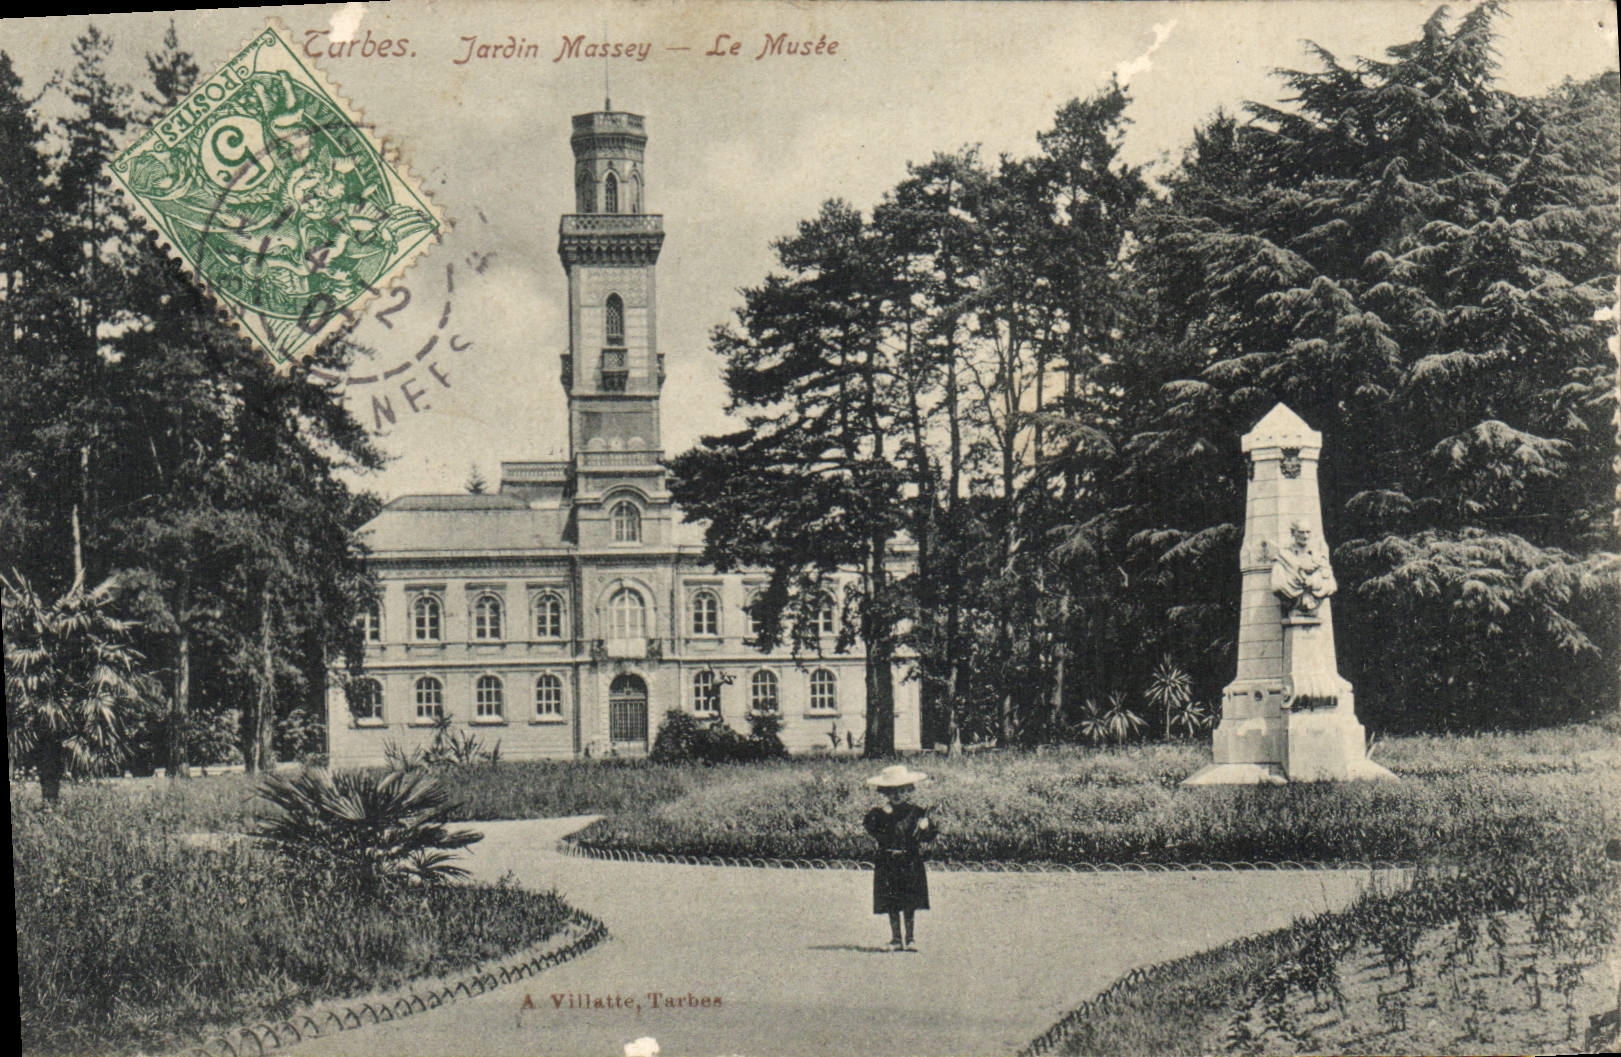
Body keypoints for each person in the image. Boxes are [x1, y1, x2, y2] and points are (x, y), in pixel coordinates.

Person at [863, 764, 936, 952]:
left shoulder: (917, 812)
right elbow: (873, 830)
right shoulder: (879, 814)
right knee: (892, 901)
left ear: (909, 791)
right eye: (892, 791)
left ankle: (910, 938)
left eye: (902, 791)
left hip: (910, 861)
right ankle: (896, 939)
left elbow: (928, 837)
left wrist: (925, 827)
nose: (897, 795)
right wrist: (884, 816)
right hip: (888, 861)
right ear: (885, 792)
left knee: (909, 901)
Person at [1271, 519, 1337, 618]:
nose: (1305, 536)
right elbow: (1277, 586)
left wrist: (1315, 581)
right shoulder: (1283, 558)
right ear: (1293, 533)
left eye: (1308, 532)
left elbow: (1331, 585)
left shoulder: (1319, 557)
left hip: (1314, 599)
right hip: (1293, 602)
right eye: (1301, 532)